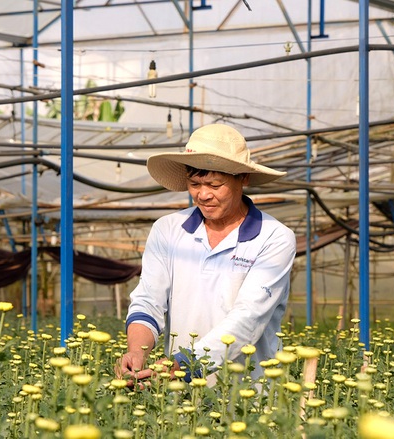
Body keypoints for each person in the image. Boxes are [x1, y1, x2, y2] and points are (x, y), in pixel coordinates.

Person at [118, 123, 296, 384]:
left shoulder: (274, 237)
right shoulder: (168, 230)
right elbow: (148, 300)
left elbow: (248, 317)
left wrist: (184, 364)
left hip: (247, 396)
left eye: (215, 184)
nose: (203, 195)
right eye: (194, 183)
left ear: (243, 178)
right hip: (178, 393)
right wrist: (137, 352)